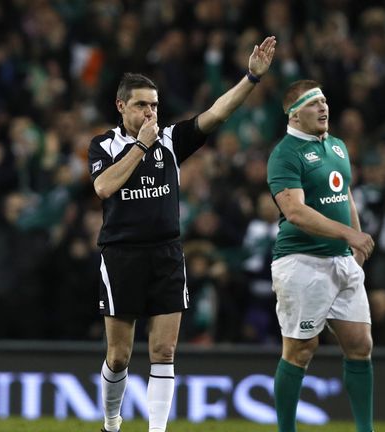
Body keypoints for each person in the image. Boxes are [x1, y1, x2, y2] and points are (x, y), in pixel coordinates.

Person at [88, 37, 276, 432]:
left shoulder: (171, 142)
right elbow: (104, 187)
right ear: (121, 106)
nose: (150, 112)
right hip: (121, 255)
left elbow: (215, 115)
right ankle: (111, 422)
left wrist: (250, 79)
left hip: (167, 254)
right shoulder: (104, 145)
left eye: (154, 105)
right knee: (119, 356)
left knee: (164, 349)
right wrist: (141, 146)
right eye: (141, 104)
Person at [267, 80, 376, 432]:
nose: (324, 108)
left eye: (325, 101)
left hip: (341, 261)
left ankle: (365, 429)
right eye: (315, 104)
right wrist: (349, 234)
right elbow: (296, 213)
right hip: (301, 262)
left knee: (360, 345)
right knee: (301, 349)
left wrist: (355, 243)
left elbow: (345, 196)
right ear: (294, 114)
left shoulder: (338, 147)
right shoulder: (285, 154)